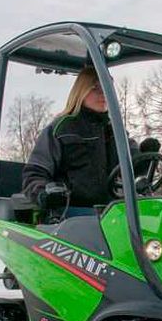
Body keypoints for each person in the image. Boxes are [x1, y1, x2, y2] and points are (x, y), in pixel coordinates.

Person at [22, 66, 136, 214]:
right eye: (96, 88)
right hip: (72, 213)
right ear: (81, 91)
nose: (103, 94)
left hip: (114, 212)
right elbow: (34, 174)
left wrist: (145, 157)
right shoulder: (61, 130)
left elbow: (135, 164)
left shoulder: (116, 132)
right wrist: (44, 193)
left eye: (107, 88)